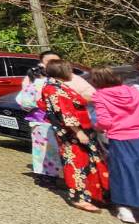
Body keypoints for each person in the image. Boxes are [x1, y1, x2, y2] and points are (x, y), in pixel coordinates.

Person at [39, 60, 109, 213]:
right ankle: (79, 197)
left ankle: (95, 193)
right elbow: (65, 112)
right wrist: (78, 132)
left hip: (82, 127)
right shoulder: (53, 89)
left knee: (91, 160)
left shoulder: (58, 86)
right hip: (71, 132)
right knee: (76, 162)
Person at [85, 67, 139, 224]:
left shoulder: (100, 96)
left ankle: (125, 210)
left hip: (120, 138)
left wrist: (96, 127)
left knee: (122, 172)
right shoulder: (134, 91)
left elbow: (105, 121)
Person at [16, 50, 64, 186]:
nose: (51, 64)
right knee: (42, 149)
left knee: (59, 148)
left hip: (63, 118)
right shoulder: (34, 76)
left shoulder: (64, 76)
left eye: (55, 61)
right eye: (48, 61)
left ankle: (60, 175)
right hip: (41, 117)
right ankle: (44, 175)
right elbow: (26, 98)